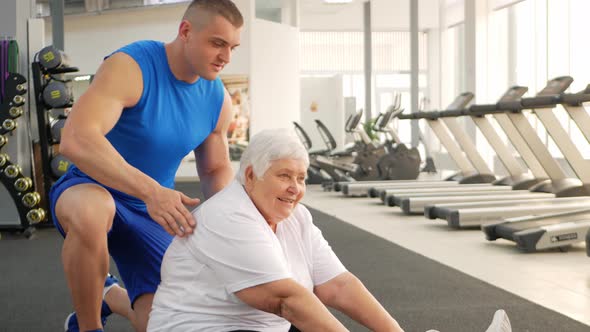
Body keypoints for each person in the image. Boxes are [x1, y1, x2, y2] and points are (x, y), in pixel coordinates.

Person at [49, 1, 243, 331]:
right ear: (186, 32)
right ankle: (87, 326)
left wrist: (234, 223)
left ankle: (109, 295)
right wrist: (151, 190)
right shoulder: (132, 66)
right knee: (94, 211)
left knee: (163, 322)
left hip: (152, 209)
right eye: (217, 43)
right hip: (89, 187)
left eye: (233, 47)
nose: (226, 57)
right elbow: (75, 139)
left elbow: (213, 170)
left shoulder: (217, 99)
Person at [147, 129, 406, 331]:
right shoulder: (228, 215)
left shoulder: (298, 218)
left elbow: (338, 285)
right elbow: (286, 301)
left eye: (301, 178)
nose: (295, 187)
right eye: (284, 176)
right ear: (250, 176)